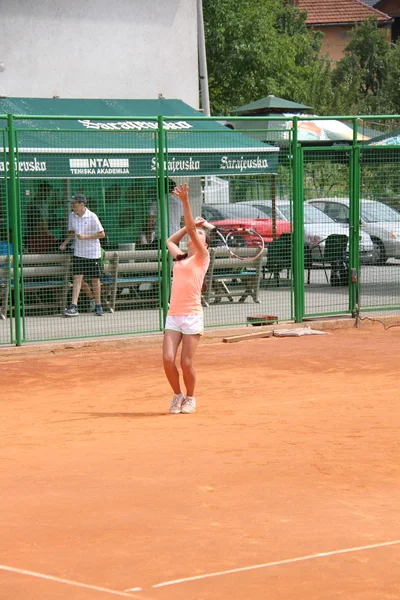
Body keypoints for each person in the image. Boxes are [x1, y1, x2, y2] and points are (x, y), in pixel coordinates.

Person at [163, 183, 210, 414]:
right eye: (196, 232)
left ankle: (191, 398)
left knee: (186, 363)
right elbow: (169, 242)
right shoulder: (181, 259)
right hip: (174, 315)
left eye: (201, 234)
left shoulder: (203, 258)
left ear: (204, 243)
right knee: (167, 359)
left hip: (192, 316)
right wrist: (189, 226)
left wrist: (185, 202)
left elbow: (192, 233)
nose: (196, 234)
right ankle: (177, 395)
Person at [60, 193, 105, 317]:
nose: (73, 205)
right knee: (77, 278)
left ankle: (98, 305)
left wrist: (86, 237)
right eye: (72, 203)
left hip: (92, 253)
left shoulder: (92, 216)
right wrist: (65, 243)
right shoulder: (72, 216)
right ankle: (74, 306)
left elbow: (102, 234)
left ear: (82, 204)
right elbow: (72, 233)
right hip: (79, 252)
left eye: (75, 203)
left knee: (95, 280)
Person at [147, 178, 184, 249]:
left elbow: (150, 224)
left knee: (160, 258)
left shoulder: (155, 203)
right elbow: (184, 223)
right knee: (173, 258)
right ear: (173, 190)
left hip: (160, 237)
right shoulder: (179, 204)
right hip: (175, 237)